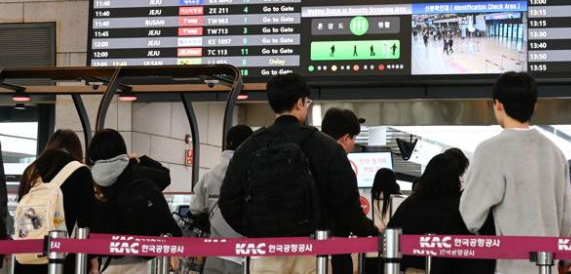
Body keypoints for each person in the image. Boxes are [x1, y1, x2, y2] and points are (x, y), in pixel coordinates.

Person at [219, 73, 377, 274]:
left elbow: (228, 201)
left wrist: (255, 230)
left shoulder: (249, 147)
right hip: (313, 254)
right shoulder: (326, 147)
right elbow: (347, 205)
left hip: (265, 254)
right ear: (301, 102)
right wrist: (370, 231)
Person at [460, 72, 571, 274]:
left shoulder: (490, 150)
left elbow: (471, 215)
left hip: (510, 266)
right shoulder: (555, 153)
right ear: (535, 106)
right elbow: (567, 217)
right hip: (547, 265)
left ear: (498, 104)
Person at [88, 129, 181, 274]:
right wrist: (140, 159)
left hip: (105, 258)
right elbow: (165, 176)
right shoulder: (135, 171)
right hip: (139, 259)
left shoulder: (90, 179)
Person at [388, 152, 493, 274]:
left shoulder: (410, 203)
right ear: (453, 178)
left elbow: (391, 235)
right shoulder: (457, 207)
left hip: (412, 269)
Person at [15, 130, 94, 274]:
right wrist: (92, 261)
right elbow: (86, 220)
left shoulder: (31, 170)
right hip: (59, 259)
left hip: (26, 255)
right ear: (76, 149)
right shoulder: (80, 171)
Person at [190, 125, 253, 274]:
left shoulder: (209, 176)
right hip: (243, 250)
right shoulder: (252, 173)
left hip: (215, 247)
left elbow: (195, 208)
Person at [320, 108, 365, 274]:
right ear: (346, 138)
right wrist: (369, 229)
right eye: (354, 138)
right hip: (337, 247)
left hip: (310, 247)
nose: (353, 144)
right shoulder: (340, 163)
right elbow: (348, 208)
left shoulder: (309, 155)